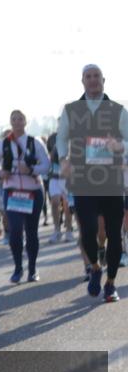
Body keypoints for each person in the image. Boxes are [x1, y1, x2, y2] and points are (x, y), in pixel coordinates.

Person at [56, 63, 127, 301]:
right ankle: (95, 267)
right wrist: (63, 159)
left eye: (97, 76)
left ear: (103, 80)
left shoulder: (118, 110)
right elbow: (61, 138)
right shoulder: (71, 110)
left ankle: (111, 283)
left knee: (114, 234)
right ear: (83, 81)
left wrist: (120, 146)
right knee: (87, 230)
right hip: (83, 179)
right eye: (88, 76)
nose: (93, 80)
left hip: (111, 180)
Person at [0, 111, 49, 283]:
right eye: (14, 119)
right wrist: (1, 173)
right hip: (12, 192)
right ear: (10, 122)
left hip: (33, 192)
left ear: (25, 122)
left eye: (20, 119)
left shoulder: (35, 142)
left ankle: (32, 269)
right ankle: (18, 267)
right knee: (15, 230)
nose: (17, 122)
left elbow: (46, 165)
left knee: (31, 232)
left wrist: (32, 170)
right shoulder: (3, 143)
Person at [46, 132, 76, 243]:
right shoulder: (52, 137)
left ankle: (68, 231)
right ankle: (57, 230)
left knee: (68, 205)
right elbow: (49, 155)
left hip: (68, 179)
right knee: (54, 203)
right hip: (54, 177)